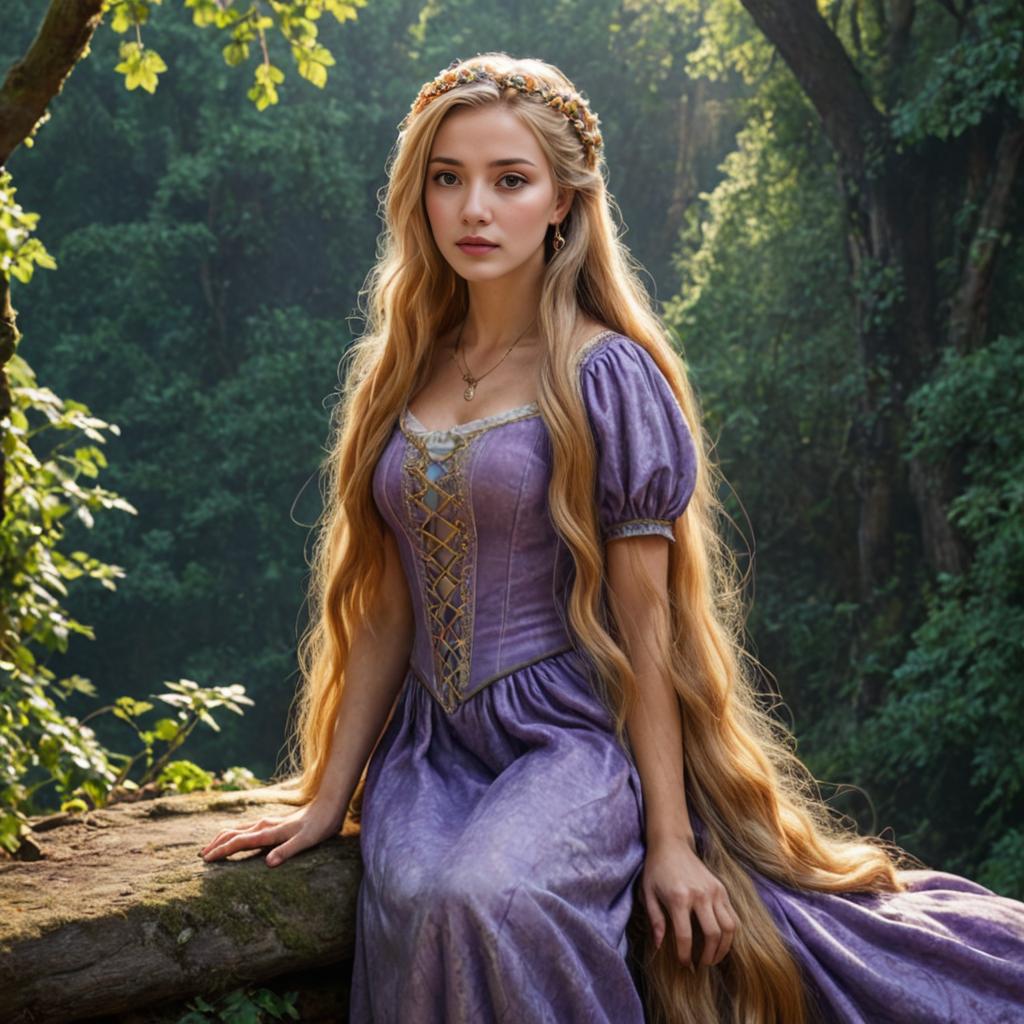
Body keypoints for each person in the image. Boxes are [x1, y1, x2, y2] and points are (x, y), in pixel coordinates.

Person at [199, 52, 1024, 1024]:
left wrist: (670, 842)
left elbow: (648, 628)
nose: (474, 208)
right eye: (447, 177)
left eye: (509, 180)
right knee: (415, 898)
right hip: (428, 753)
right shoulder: (402, 370)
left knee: (488, 896)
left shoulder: (605, 375)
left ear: (561, 201)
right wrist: (325, 795)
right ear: (417, 192)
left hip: (568, 740)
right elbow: (386, 606)